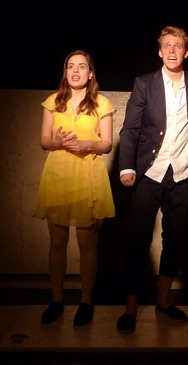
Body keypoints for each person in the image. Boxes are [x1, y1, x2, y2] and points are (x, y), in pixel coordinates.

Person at [115, 25, 188, 334]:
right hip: (149, 173)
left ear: (186, 52)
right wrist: (126, 167)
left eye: (178, 45)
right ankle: (131, 308)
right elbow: (130, 129)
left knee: (175, 238)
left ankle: (163, 302)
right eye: (167, 45)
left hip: (182, 172)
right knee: (139, 239)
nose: (172, 50)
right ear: (160, 52)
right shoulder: (144, 83)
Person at [35, 49, 116, 327]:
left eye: (82, 66)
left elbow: (107, 144)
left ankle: (86, 301)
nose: (76, 71)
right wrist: (56, 142)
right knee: (57, 242)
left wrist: (88, 144)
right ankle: (56, 300)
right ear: (65, 71)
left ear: (90, 73)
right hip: (58, 175)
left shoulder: (102, 103)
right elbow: (44, 141)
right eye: (71, 66)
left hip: (87, 176)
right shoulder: (52, 102)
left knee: (86, 243)